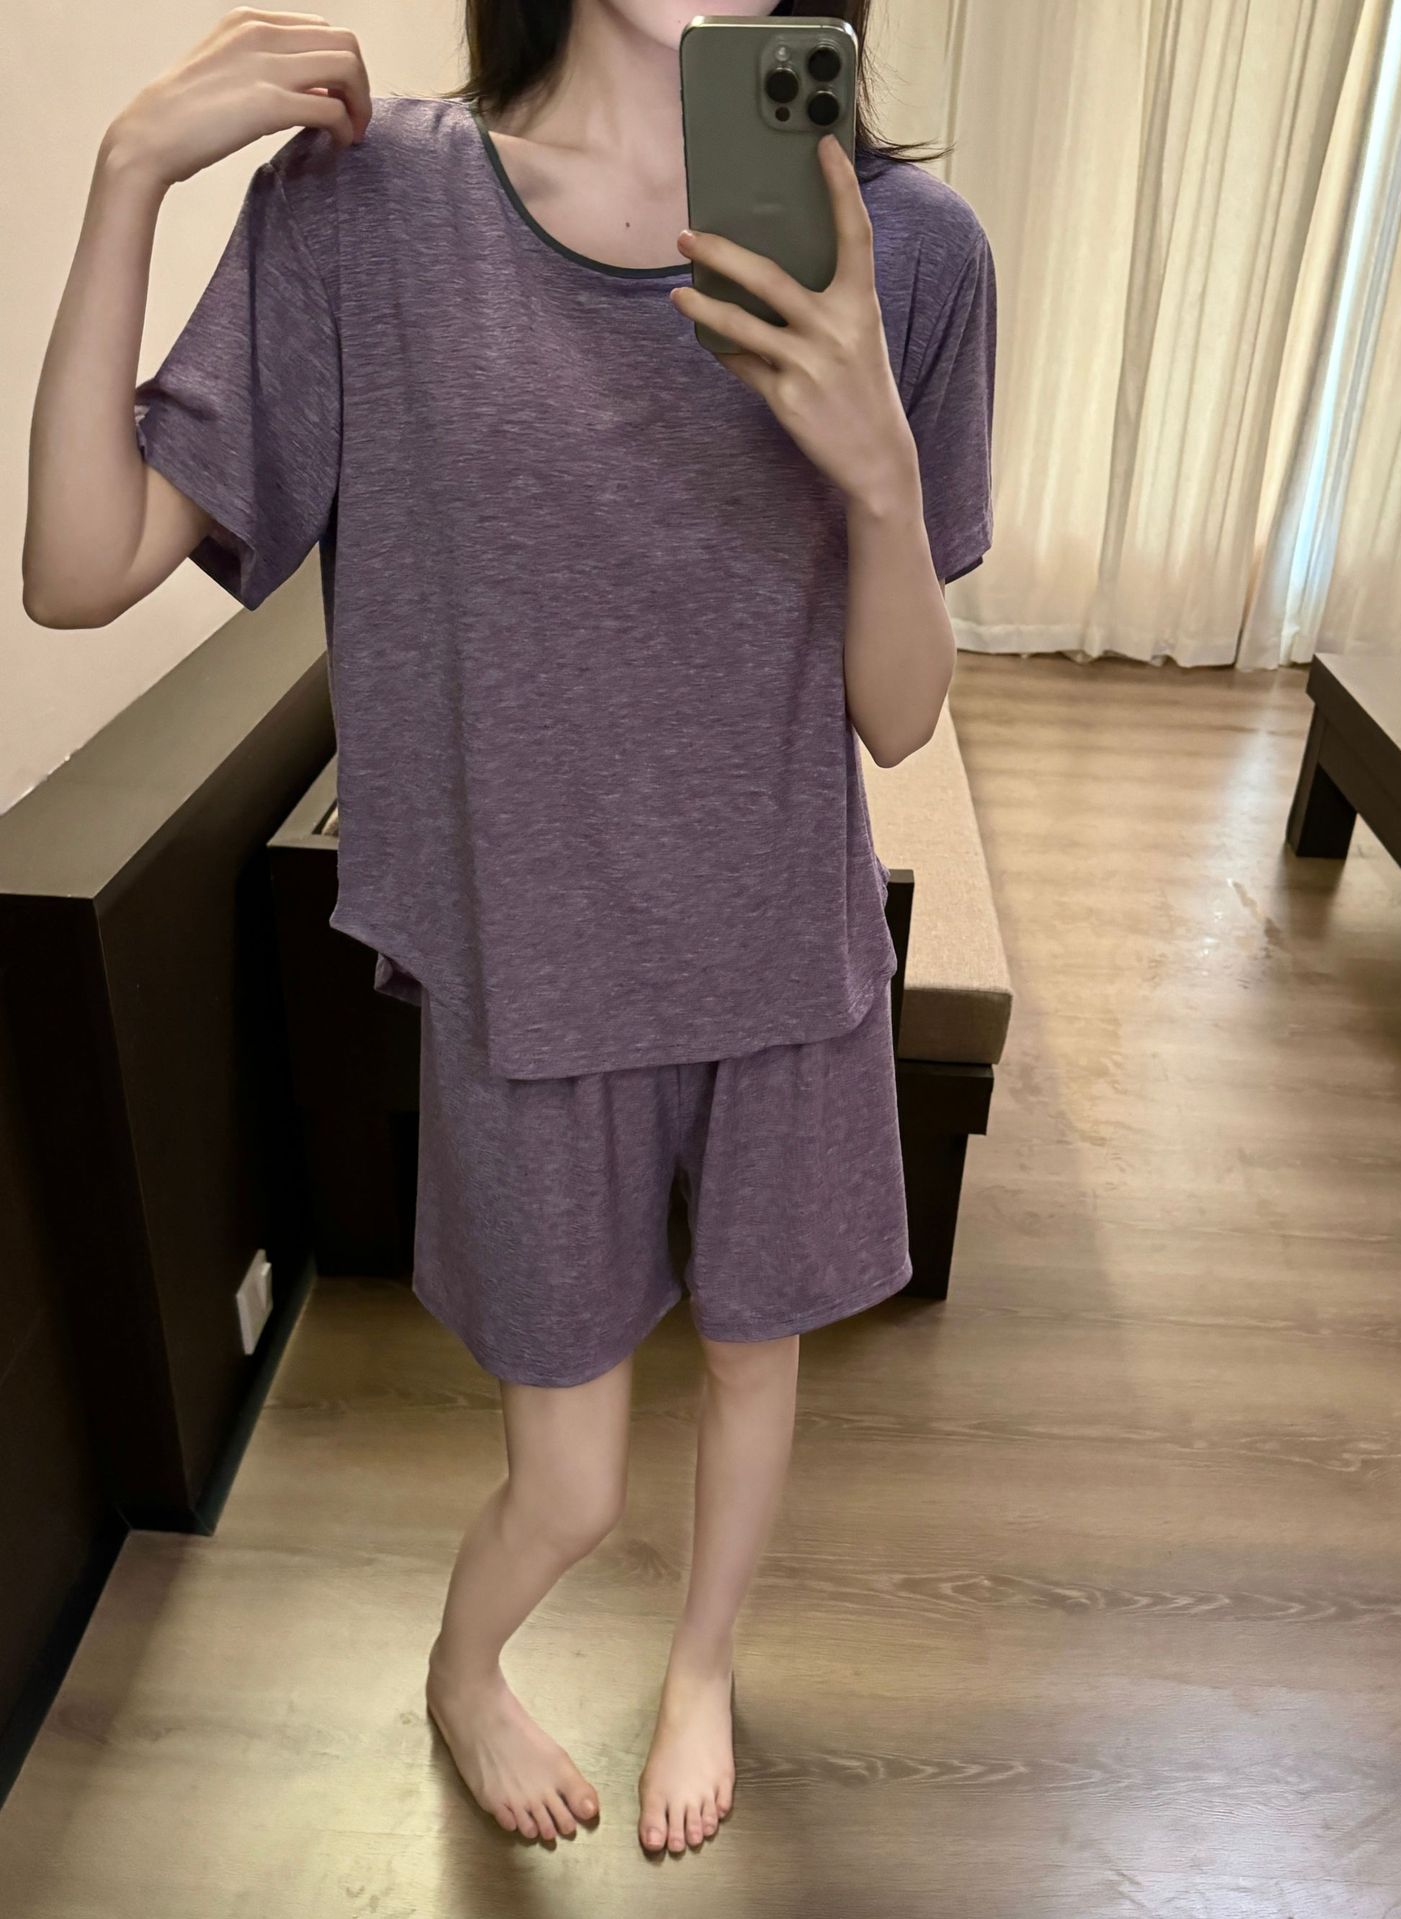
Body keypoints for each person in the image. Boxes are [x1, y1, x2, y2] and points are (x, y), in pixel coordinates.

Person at [24, 0, 995, 1862]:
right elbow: (74, 571)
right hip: (530, 971)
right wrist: (128, 175)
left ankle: (703, 1664)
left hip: (782, 950)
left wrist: (877, 464)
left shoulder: (909, 249)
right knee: (568, 1486)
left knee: (757, 1357)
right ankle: (465, 1669)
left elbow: (898, 717)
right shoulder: (372, 210)